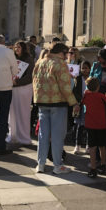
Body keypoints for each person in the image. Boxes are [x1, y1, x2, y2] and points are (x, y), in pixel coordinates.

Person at [33, 43, 80, 174]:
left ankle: (40, 164)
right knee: (57, 136)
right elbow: (65, 87)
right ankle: (57, 165)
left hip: (42, 102)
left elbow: (35, 81)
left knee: (43, 135)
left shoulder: (40, 62)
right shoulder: (60, 64)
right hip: (58, 103)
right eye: (66, 53)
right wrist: (74, 103)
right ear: (61, 53)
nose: (67, 57)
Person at [6, 41, 34, 146]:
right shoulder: (12, 58)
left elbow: (30, 76)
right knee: (12, 112)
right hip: (13, 88)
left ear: (23, 48)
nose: (16, 49)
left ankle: (23, 137)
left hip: (24, 88)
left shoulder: (29, 59)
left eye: (19, 47)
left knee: (23, 112)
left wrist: (17, 82)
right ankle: (13, 135)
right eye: (15, 47)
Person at [82, 77, 106, 178]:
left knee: (92, 147)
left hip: (90, 125)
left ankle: (93, 168)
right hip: (101, 125)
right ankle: (103, 165)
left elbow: (82, 103)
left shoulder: (86, 96)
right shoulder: (102, 96)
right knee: (102, 146)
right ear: (98, 87)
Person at [73, 61, 91, 154]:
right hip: (80, 104)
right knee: (79, 126)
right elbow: (75, 91)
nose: (84, 70)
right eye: (82, 68)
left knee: (88, 126)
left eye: (86, 68)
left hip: (89, 104)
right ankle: (77, 145)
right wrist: (79, 101)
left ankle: (88, 146)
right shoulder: (78, 78)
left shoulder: (92, 78)